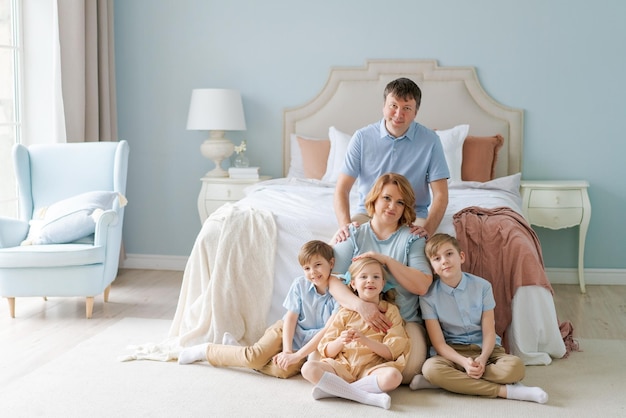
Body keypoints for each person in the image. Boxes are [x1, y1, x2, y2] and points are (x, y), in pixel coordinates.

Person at [412, 233, 548, 404]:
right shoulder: (428, 297)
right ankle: (505, 391)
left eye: (449, 254)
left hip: (487, 350)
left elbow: (489, 332)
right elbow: (439, 344)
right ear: (432, 267)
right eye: (437, 258)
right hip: (454, 353)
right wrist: (464, 362)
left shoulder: (483, 286)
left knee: (515, 368)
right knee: (431, 369)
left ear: (461, 256)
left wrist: (482, 359)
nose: (444, 261)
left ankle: (448, 382)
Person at [178, 240, 339, 379]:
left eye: (318, 265)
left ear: (331, 264)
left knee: (281, 371)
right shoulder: (300, 285)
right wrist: (287, 351)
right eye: (307, 268)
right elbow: (290, 318)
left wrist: (297, 356)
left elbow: (325, 331)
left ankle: (235, 351)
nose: (313, 272)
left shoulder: (341, 295)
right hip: (284, 331)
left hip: (307, 347)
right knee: (254, 358)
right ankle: (205, 351)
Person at [330, 172, 433, 385]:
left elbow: (422, 285)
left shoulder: (413, 238)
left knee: (408, 373)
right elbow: (332, 281)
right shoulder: (353, 234)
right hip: (355, 319)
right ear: (374, 198)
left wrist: (384, 260)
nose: (392, 206)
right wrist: (361, 306)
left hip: (400, 322)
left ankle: (356, 382)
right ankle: (365, 382)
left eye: (400, 202)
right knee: (317, 363)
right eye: (387, 198)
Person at [333, 77, 449, 242]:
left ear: (415, 112)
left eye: (406, 108)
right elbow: (342, 189)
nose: (398, 114)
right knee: (337, 251)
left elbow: (441, 195)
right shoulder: (361, 138)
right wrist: (345, 226)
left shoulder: (431, 141)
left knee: (418, 254)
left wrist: (427, 230)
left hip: (412, 217)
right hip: (368, 214)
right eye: (393, 106)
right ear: (384, 106)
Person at [301, 257, 409, 410]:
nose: (370, 280)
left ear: (383, 283)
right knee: (308, 368)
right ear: (353, 283)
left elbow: (392, 352)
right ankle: (365, 396)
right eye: (363, 277)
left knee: (394, 377)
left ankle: (334, 390)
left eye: (376, 277)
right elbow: (326, 350)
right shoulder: (345, 312)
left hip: (371, 369)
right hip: (341, 366)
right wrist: (340, 341)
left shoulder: (390, 311)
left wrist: (366, 341)